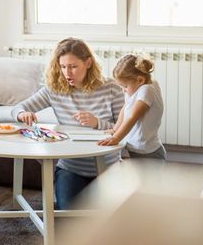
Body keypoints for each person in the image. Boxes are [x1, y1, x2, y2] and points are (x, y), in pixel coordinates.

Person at [12, 38, 124, 209]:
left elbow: (124, 130)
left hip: (108, 167)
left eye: (73, 66)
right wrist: (22, 114)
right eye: (63, 67)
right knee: (68, 216)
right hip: (71, 168)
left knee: (108, 219)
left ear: (88, 63)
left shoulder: (111, 88)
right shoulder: (55, 89)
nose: (67, 73)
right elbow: (18, 108)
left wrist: (98, 123)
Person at [97, 54, 166, 159]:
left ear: (140, 80)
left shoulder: (147, 90)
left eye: (125, 86)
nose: (123, 90)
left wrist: (116, 137)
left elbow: (133, 117)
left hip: (148, 153)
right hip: (138, 149)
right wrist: (115, 129)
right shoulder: (137, 87)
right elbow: (126, 107)